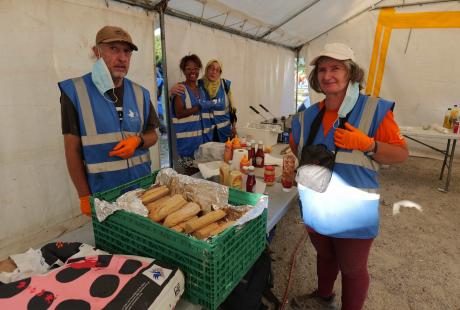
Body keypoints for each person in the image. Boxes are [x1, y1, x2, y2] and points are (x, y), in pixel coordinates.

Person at [289, 43, 408, 310]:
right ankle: (323, 297)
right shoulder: (308, 115)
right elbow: (295, 145)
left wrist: (368, 145)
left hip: (353, 208)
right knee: (325, 254)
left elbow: (401, 154)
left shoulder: (373, 109)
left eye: (336, 68)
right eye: (322, 69)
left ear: (351, 73)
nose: (327, 75)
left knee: (352, 268)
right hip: (316, 203)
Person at [59, 26, 159, 216]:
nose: (122, 58)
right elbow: (72, 149)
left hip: (143, 190)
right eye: (114, 49)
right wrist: (83, 196)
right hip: (104, 196)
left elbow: (152, 135)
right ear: (97, 52)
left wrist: (138, 140)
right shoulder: (75, 91)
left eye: (127, 51)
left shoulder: (141, 93)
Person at [171, 58, 237, 143]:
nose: (214, 72)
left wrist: (234, 127)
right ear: (206, 69)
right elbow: (184, 88)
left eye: (217, 70)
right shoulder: (198, 84)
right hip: (207, 135)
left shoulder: (225, 85)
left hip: (224, 133)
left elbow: (232, 108)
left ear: (220, 73)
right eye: (211, 68)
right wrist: (171, 91)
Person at [170, 54, 208, 175]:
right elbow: (179, 113)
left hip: (201, 143)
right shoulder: (180, 88)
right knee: (191, 176)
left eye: (196, 68)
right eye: (189, 69)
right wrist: (198, 107)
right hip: (187, 145)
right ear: (183, 71)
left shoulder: (201, 89)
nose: (193, 71)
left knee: (202, 176)